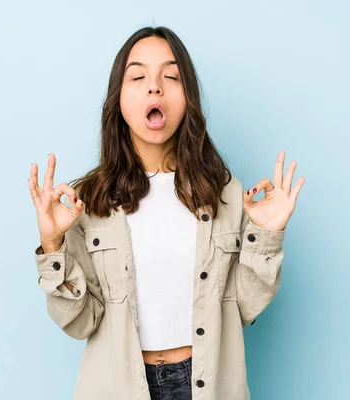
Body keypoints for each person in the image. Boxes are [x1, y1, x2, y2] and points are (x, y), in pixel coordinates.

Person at [28, 26, 305, 400]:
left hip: (206, 385)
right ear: (119, 100)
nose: (155, 87)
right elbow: (80, 323)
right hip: (121, 386)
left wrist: (265, 235)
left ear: (187, 96)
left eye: (171, 77)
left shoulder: (225, 194)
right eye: (138, 76)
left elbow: (244, 308)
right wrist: (52, 243)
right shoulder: (87, 202)